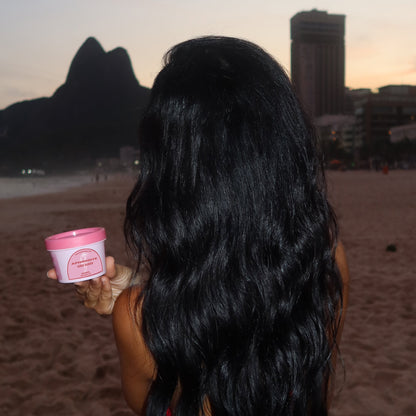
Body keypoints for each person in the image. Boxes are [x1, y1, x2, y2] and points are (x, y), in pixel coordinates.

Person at [48, 36, 349, 416]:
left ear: (171, 171)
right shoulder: (325, 257)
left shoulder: (137, 320)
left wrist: (143, 305)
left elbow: (152, 406)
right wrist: (148, 291)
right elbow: (315, 386)